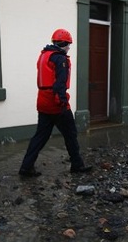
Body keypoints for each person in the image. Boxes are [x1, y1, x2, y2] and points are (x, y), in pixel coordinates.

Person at [19, 29, 92, 177]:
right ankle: (77, 165)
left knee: (40, 136)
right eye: (69, 45)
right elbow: (60, 82)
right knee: (70, 133)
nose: (69, 47)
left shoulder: (44, 55)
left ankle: (26, 167)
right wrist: (63, 102)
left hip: (42, 100)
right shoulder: (60, 59)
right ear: (64, 44)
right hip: (56, 102)